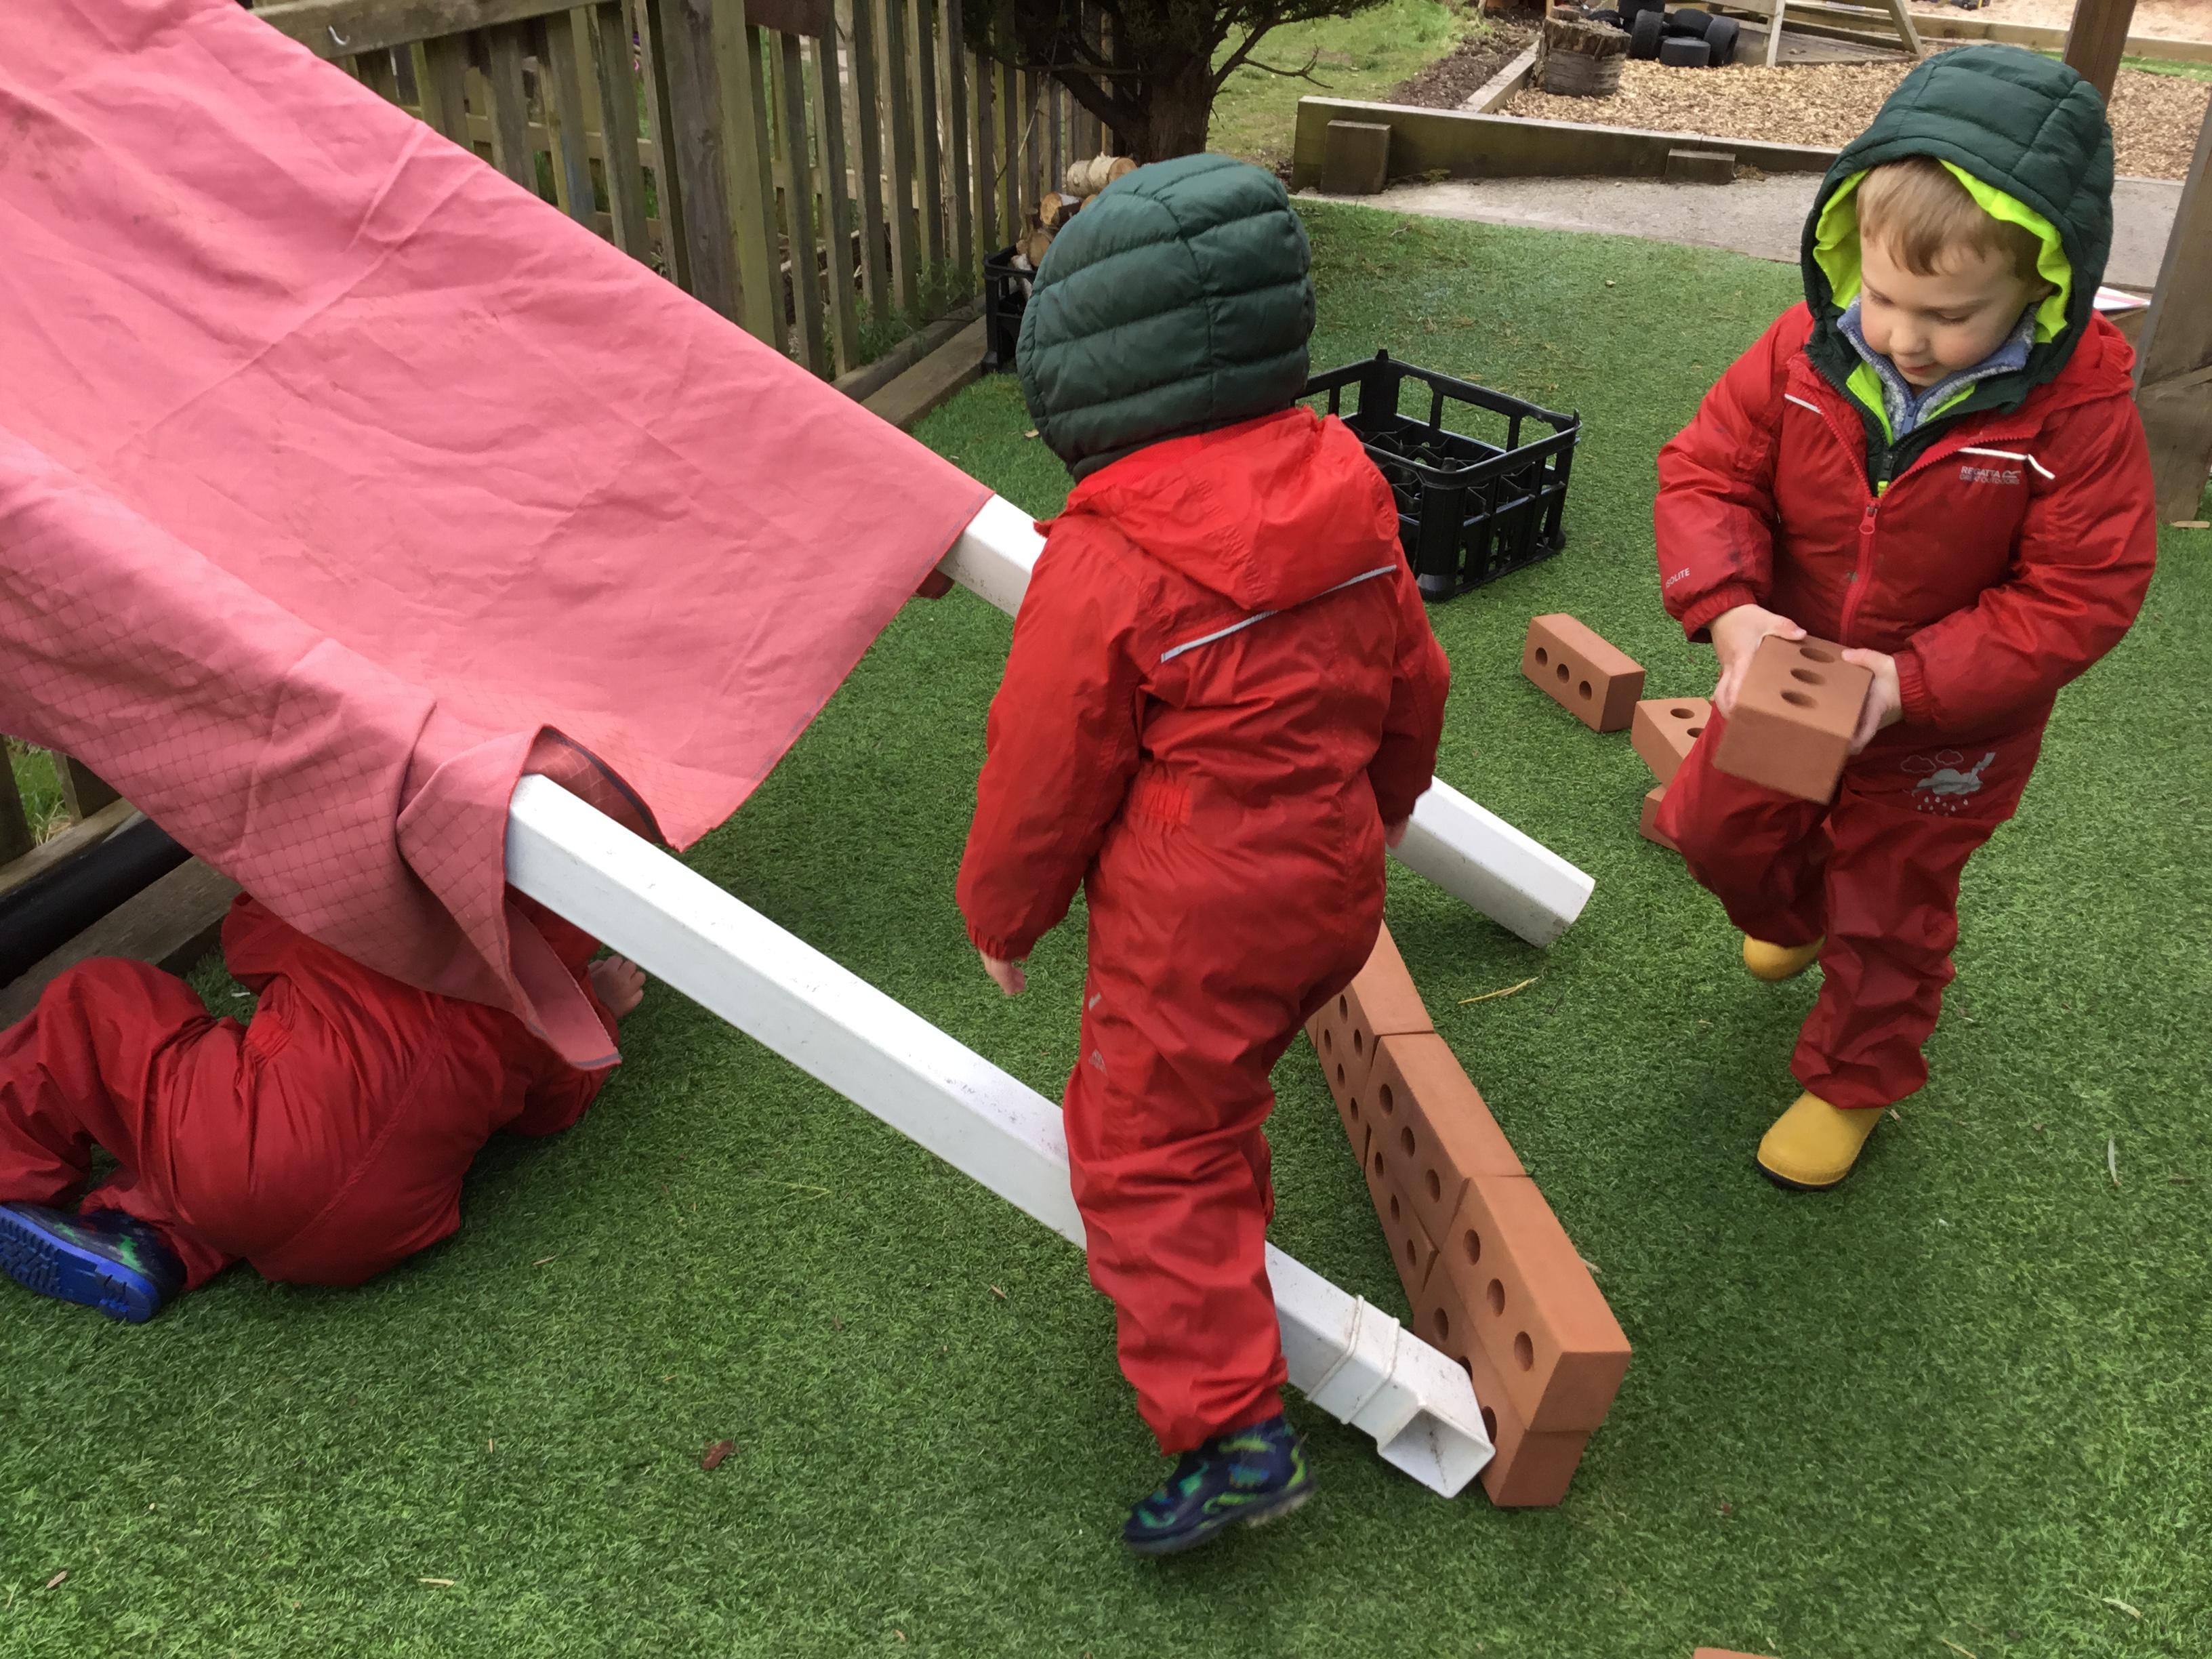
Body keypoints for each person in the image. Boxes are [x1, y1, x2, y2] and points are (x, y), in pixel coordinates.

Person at [956, 154, 1450, 1554]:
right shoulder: (1344, 478)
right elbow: (1413, 671)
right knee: (1211, 1094)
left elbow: (1045, 765)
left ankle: (1229, 1431)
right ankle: (1223, 1239)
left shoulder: (1107, 554)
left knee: (1142, 1147)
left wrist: (1004, 915)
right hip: (1333, 887)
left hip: (1201, 921)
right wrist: (1390, 801)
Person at [1652, 46, 2156, 1190]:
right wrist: (1730, 611)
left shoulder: (2074, 412)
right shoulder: (1804, 349)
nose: (1900, 335)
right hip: (1787, 684)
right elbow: (1705, 475)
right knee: (1715, 831)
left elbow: (2081, 591)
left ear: (2043, 284)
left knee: (1889, 910)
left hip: (1945, 730)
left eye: (1947, 314)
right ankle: (1796, 911)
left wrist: (1908, 683)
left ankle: (1854, 1078)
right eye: (1878, 295)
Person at [0, 889, 645, 1319]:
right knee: (279, 1161)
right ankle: (158, 1244)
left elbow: (247, 944)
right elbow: (556, 1106)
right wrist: (595, 1010)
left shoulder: (356, 911)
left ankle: (11, 1174)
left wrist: (281, 894)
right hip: (382, 1233)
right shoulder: (543, 1005)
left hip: (250, 1153)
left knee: (99, 998)